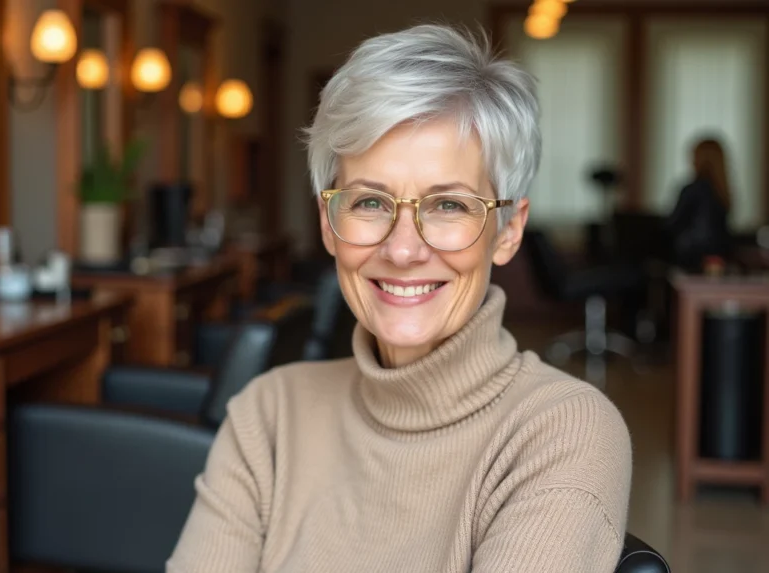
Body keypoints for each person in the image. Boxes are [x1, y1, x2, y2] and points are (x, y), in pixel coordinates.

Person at [167, 24, 631, 573]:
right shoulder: (268, 415)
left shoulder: (562, 431)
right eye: (368, 202)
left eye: (449, 206)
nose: (403, 248)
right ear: (327, 221)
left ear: (507, 231)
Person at [664, 137, 734, 271]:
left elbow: (673, 224)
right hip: (719, 257)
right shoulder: (722, 193)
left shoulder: (692, 190)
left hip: (691, 256)